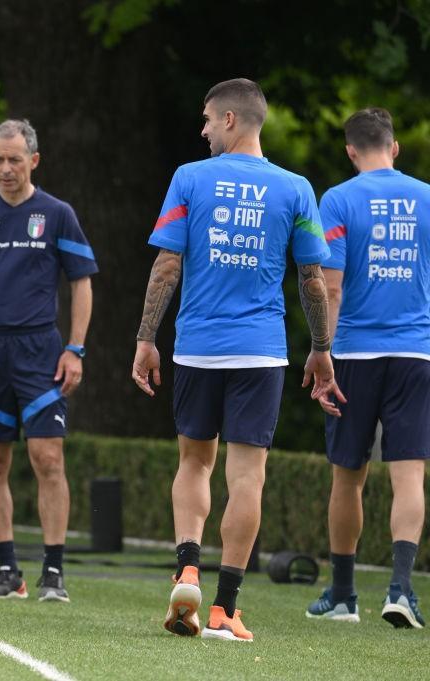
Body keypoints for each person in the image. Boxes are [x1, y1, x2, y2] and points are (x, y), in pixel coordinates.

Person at [131, 78, 340, 642]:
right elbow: (313, 280)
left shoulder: (189, 179)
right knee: (248, 476)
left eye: (206, 120)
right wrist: (321, 350)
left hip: (197, 346)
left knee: (195, 463)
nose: (201, 131)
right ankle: (224, 609)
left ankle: (187, 569)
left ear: (229, 120)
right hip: (262, 352)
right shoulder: (296, 189)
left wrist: (146, 338)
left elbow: (166, 268)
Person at [0, 119, 96, 603]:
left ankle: (54, 570)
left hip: (38, 351)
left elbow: (81, 282)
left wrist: (75, 348)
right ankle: (8, 570)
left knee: (47, 457)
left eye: (14, 159)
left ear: (34, 160)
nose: (5, 169)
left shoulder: (57, 213)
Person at [304, 107, 428, 629]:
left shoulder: (338, 198)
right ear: (394, 146)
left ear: (351, 151)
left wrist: (320, 350)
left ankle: (344, 595)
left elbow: (329, 287)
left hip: (353, 354)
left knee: (348, 478)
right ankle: (400, 588)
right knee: (409, 477)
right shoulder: (426, 197)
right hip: (416, 354)